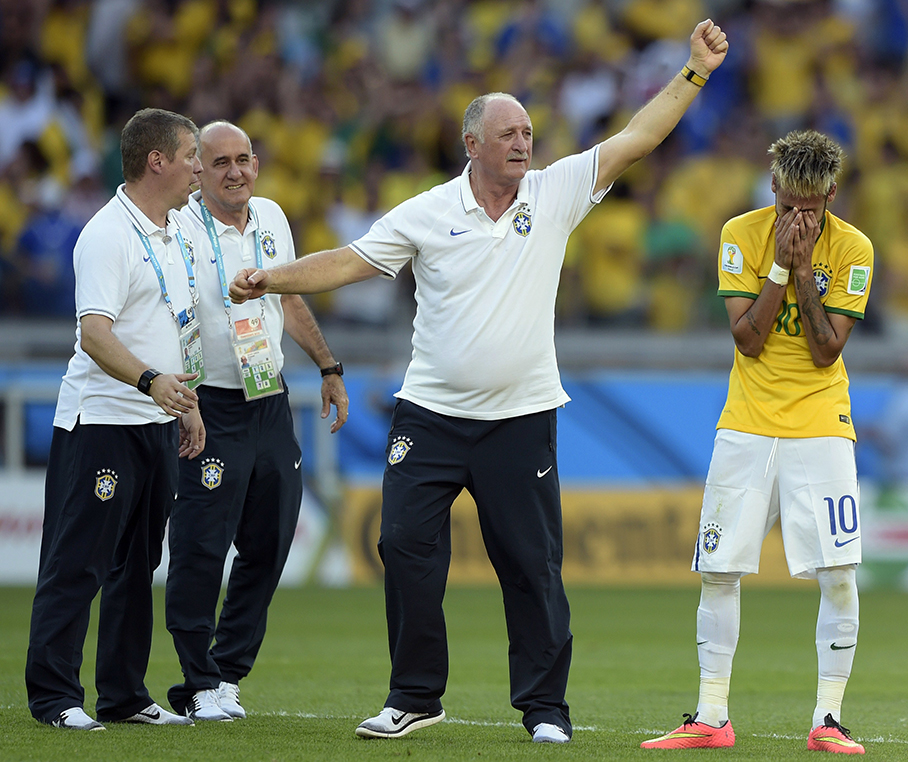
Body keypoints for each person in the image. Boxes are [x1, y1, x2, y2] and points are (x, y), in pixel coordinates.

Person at [230, 20, 728, 744]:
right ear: (472, 145)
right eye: (509, 134)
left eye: (527, 131)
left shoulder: (554, 193)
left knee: (531, 567)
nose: (524, 143)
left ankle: (545, 710)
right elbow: (350, 261)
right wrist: (271, 279)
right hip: (429, 415)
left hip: (521, 419)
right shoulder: (429, 211)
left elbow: (636, 139)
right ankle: (414, 696)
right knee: (401, 546)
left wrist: (695, 71)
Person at [641, 130, 873, 754]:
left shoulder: (854, 248)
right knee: (718, 570)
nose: (801, 217)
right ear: (772, 187)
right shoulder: (739, 233)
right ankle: (711, 715)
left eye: (813, 206)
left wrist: (802, 273)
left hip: (822, 424)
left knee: (839, 574)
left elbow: (827, 352)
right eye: (790, 204)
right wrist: (780, 265)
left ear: (831, 193)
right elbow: (748, 339)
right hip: (745, 424)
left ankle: (828, 719)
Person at [25, 107, 206, 730]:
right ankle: (53, 698)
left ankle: (124, 696)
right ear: (157, 161)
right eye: (191, 157)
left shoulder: (176, 230)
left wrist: (187, 402)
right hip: (101, 421)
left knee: (138, 566)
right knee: (79, 562)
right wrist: (152, 382)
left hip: (155, 419)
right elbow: (94, 335)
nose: (199, 169)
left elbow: (176, 328)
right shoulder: (106, 234)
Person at [164, 121, 349, 722]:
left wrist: (327, 364)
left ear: (258, 164)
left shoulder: (271, 217)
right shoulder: (178, 228)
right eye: (220, 162)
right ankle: (197, 681)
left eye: (244, 159)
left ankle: (227, 673)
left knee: (271, 540)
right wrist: (181, 396)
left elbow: (288, 299)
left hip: (268, 399)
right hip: (208, 403)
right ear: (199, 171)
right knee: (199, 546)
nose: (235, 172)